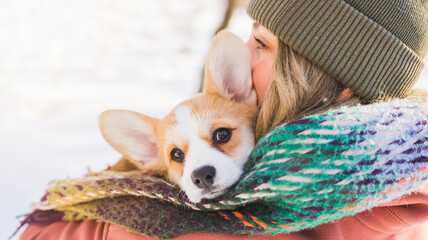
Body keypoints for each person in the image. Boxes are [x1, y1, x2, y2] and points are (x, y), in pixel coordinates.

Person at [19, 0, 428, 239]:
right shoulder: (400, 171)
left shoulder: (225, 222)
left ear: (334, 82)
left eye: (263, 43)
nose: (245, 53)